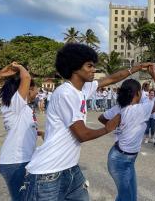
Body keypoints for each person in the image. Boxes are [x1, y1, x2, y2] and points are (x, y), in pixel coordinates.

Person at [22, 43, 142, 200]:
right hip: (48, 173)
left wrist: (136, 68)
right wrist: (108, 127)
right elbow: (82, 134)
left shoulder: (83, 89)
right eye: (89, 66)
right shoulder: (66, 93)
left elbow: (112, 78)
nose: (94, 70)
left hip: (69, 168)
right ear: (75, 67)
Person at [98, 64, 155, 201]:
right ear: (137, 94)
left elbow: (101, 118)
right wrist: (153, 74)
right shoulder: (139, 110)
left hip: (122, 157)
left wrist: (116, 126)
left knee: (129, 197)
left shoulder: (119, 107)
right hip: (121, 160)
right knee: (127, 198)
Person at [0, 62, 43, 201]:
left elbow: (22, 128)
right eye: (36, 89)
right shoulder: (15, 104)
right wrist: (20, 67)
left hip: (22, 161)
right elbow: (26, 78)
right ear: (28, 90)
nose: (37, 92)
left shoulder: (24, 108)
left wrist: (38, 132)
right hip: (15, 162)